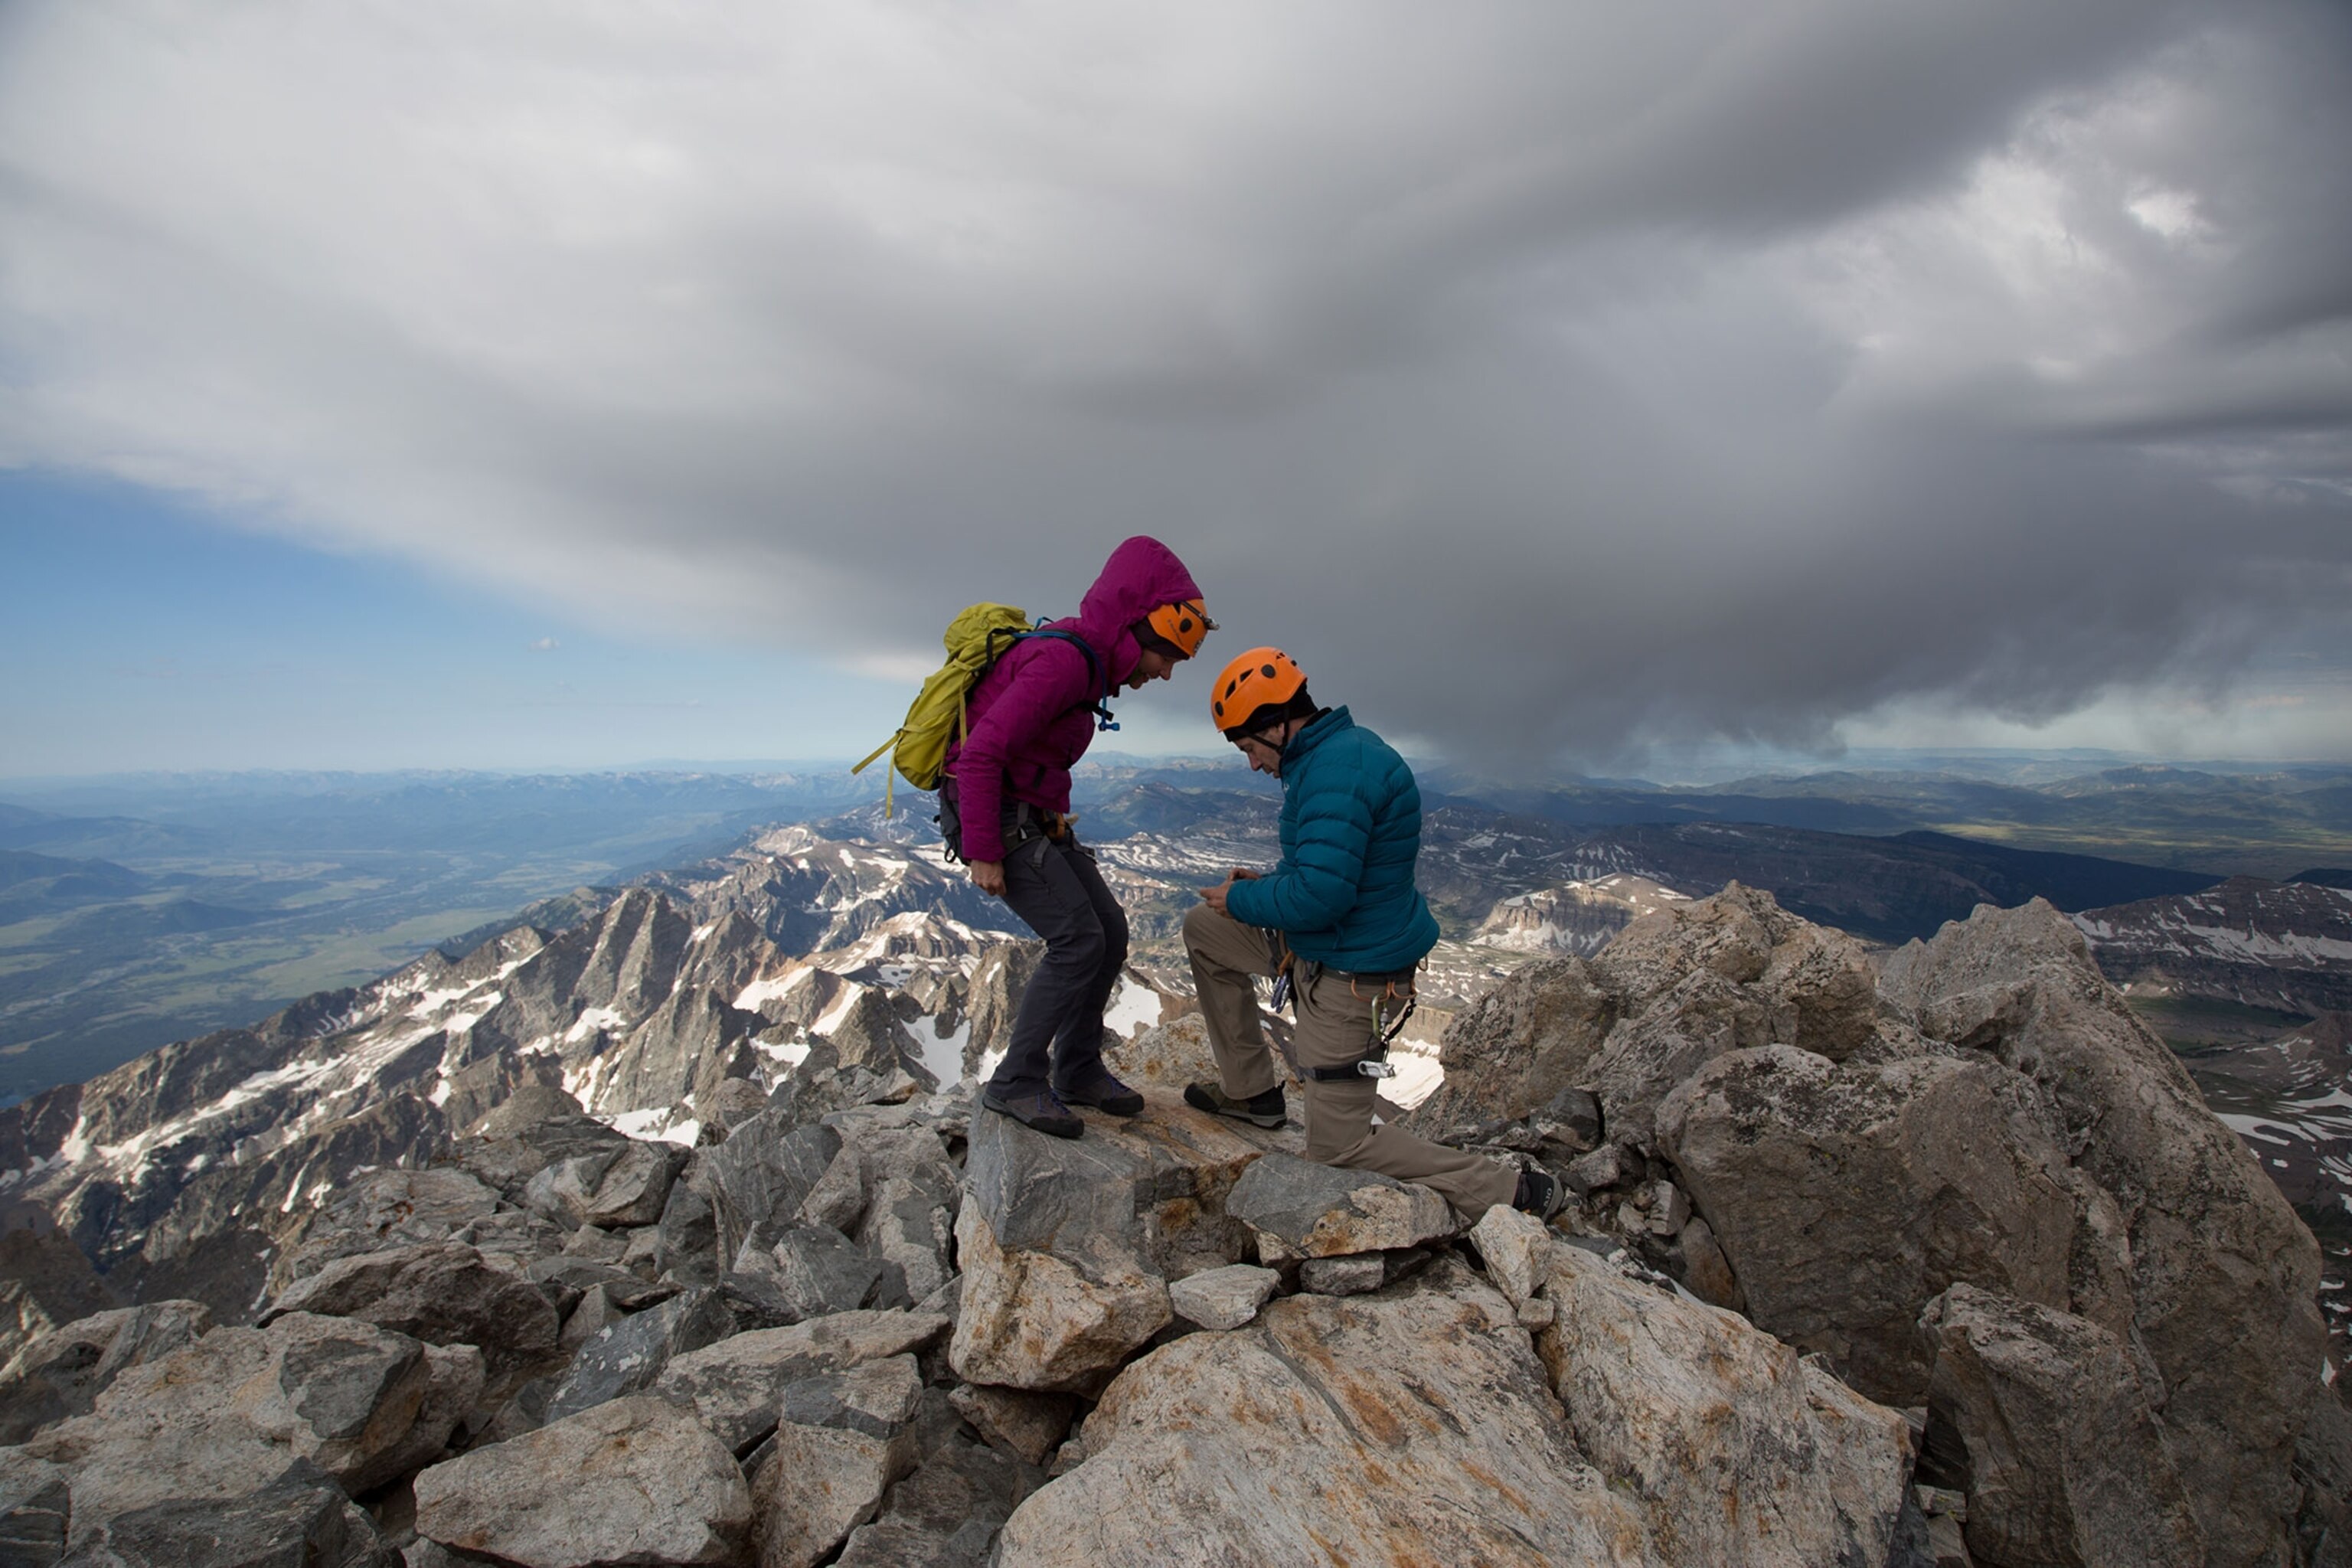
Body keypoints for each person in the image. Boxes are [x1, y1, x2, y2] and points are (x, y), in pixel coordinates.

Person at [1184, 647, 1563, 1223]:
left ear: (1276, 725)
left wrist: (1242, 898)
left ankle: (1512, 1191)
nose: (1254, 764)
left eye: (1250, 748)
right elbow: (1330, 872)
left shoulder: (1337, 770)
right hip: (1320, 950)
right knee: (1203, 929)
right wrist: (1264, 886)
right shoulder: (1328, 759)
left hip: (1350, 978)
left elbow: (1322, 896)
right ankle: (1253, 1093)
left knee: (1338, 1148)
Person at [943, 535, 1211, 1139]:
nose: (1166, 673)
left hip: (1029, 815)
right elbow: (981, 753)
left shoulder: (1085, 665)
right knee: (1077, 939)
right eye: (1167, 656)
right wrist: (984, 849)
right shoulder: (1066, 663)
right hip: (995, 813)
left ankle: (1079, 1069)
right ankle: (1015, 1082)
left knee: (1109, 930)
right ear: (1137, 631)